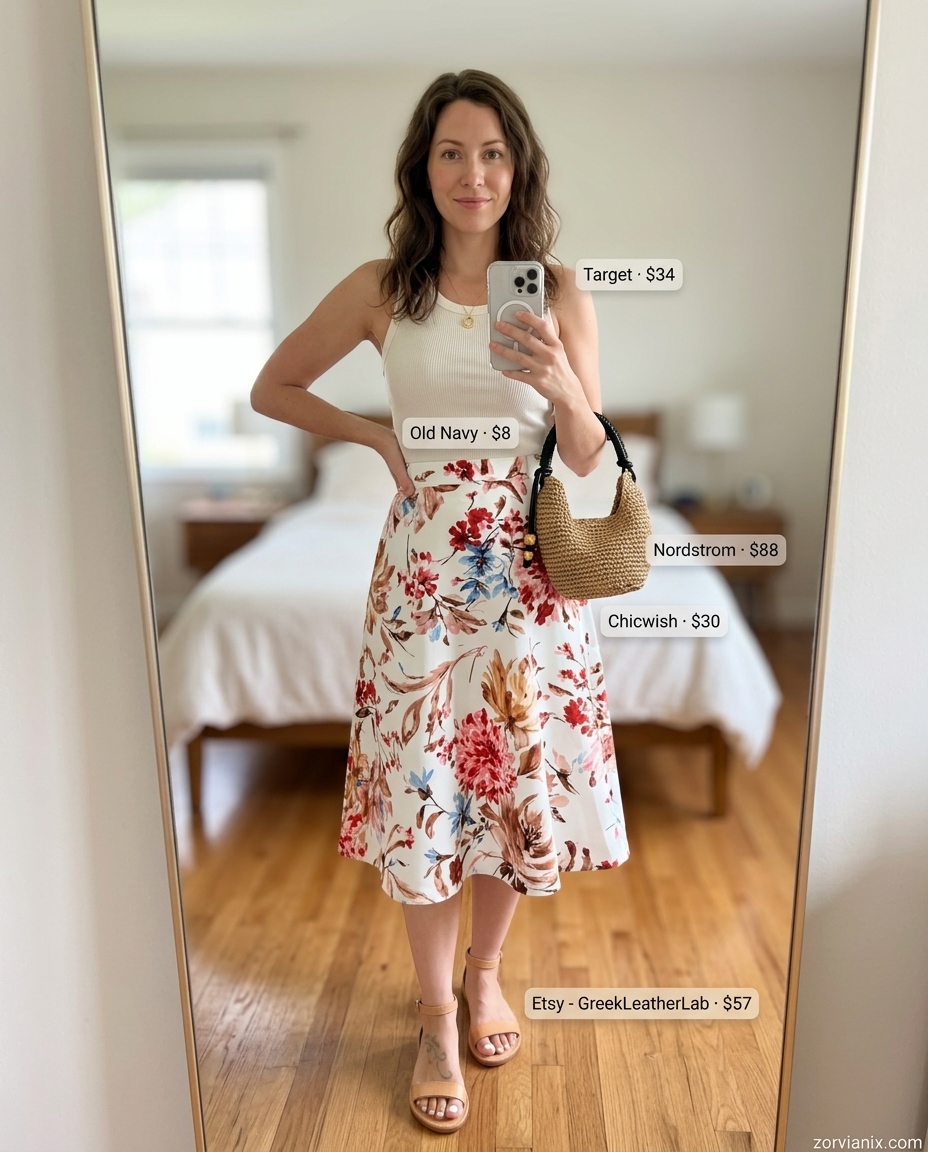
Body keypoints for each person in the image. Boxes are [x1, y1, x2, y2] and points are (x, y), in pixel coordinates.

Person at [251, 69, 629, 1135]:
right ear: (424, 167)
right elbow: (272, 386)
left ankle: (486, 977)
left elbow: (592, 455)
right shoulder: (386, 286)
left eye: (494, 154)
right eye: (453, 152)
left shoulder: (555, 288)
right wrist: (374, 435)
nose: (475, 174)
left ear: (519, 170)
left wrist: (560, 381)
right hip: (424, 573)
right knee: (425, 783)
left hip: (532, 574)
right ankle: (429, 1014)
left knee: (507, 783)